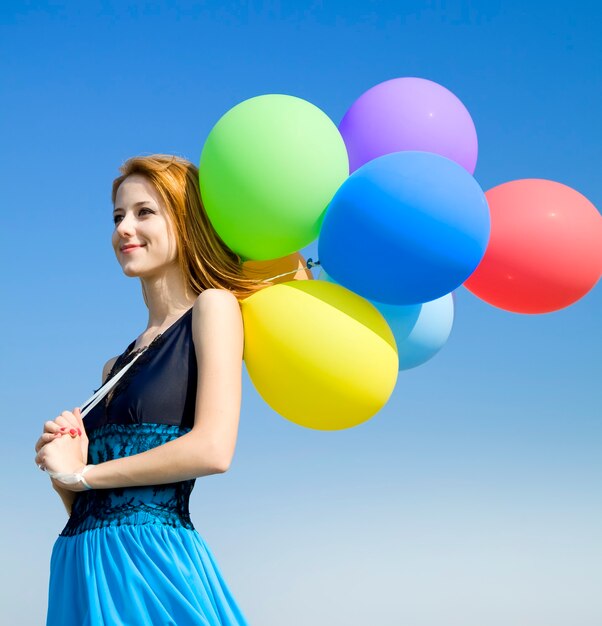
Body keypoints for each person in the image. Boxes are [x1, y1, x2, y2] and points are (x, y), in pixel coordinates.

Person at [34, 154, 268, 625]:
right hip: (81, 562)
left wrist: (85, 476)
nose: (124, 228)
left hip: (151, 563)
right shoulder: (112, 367)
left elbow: (213, 449)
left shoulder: (213, 309)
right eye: (118, 216)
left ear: (185, 221)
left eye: (144, 212)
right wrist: (65, 469)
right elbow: (92, 499)